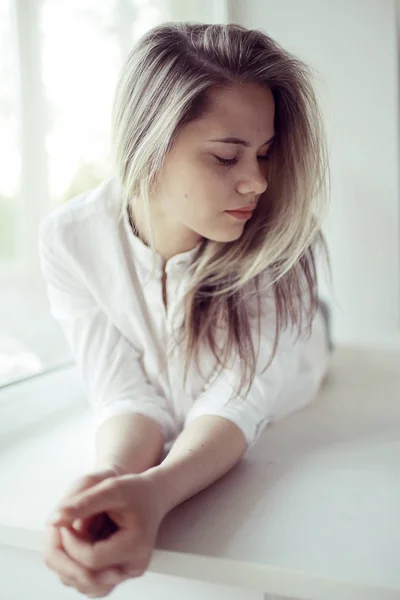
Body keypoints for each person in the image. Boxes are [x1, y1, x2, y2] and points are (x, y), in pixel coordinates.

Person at [39, 21, 333, 598]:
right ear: (148, 143)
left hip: (302, 354)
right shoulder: (69, 240)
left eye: (266, 154)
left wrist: (156, 491)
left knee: (311, 329)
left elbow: (238, 400)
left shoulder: (282, 240)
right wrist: (110, 482)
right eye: (227, 158)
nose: (256, 183)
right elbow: (123, 392)